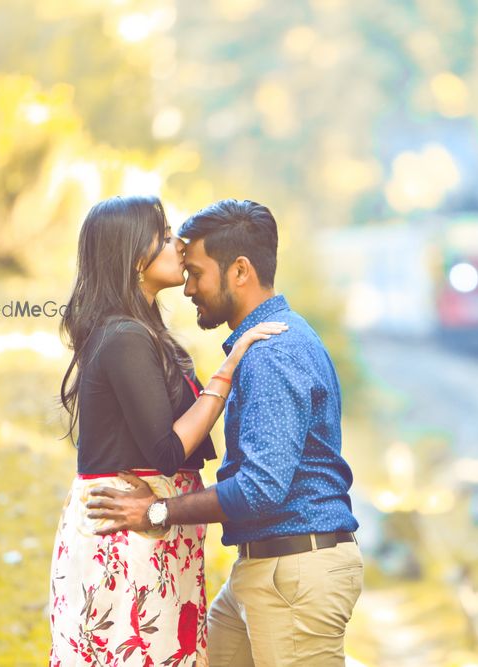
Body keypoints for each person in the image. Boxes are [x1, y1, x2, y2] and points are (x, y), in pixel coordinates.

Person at [87, 199, 363, 666]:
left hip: (293, 571)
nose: (188, 286)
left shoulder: (272, 353)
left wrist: (158, 512)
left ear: (239, 272)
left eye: (196, 273)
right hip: (263, 569)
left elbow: (260, 488)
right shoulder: (267, 344)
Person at [49, 195, 286, 666]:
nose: (178, 245)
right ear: (135, 256)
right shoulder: (124, 336)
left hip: (147, 531)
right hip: (128, 536)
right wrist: (230, 368)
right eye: (163, 236)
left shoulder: (140, 330)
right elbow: (166, 448)